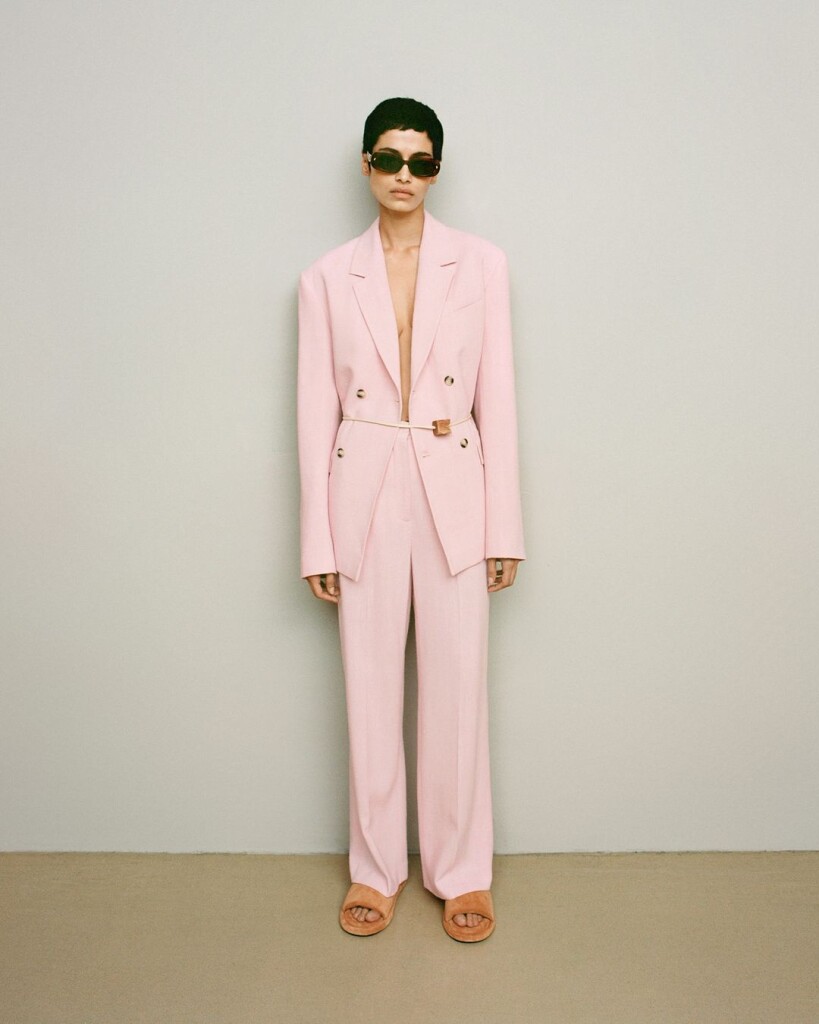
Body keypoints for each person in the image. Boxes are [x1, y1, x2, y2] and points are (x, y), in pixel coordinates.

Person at [297, 97, 525, 942]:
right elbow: (312, 415)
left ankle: (462, 874)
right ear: (366, 164)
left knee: (457, 688)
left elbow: (497, 399)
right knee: (367, 690)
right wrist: (317, 538)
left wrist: (503, 528)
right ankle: (375, 868)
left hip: (452, 483)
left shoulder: (482, 264)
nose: (404, 176)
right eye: (389, 159)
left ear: (437, 170)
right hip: (362, 486)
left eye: (421, 162)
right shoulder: (325, 278)